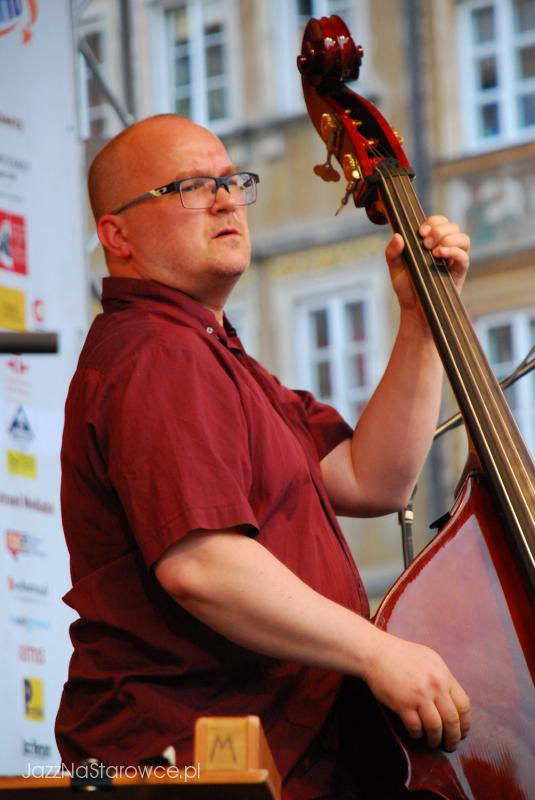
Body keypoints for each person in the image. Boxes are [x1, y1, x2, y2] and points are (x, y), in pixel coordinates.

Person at [56, 113, 471, 799]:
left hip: (258, 756)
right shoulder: (157, 352)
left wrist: (421, 323)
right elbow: (201, 564)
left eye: (230, 181)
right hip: (195, 761)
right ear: (115, 235)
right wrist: (377, 650)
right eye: (189, 186)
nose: (224, 199)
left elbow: (374, 478)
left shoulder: (221, 359)